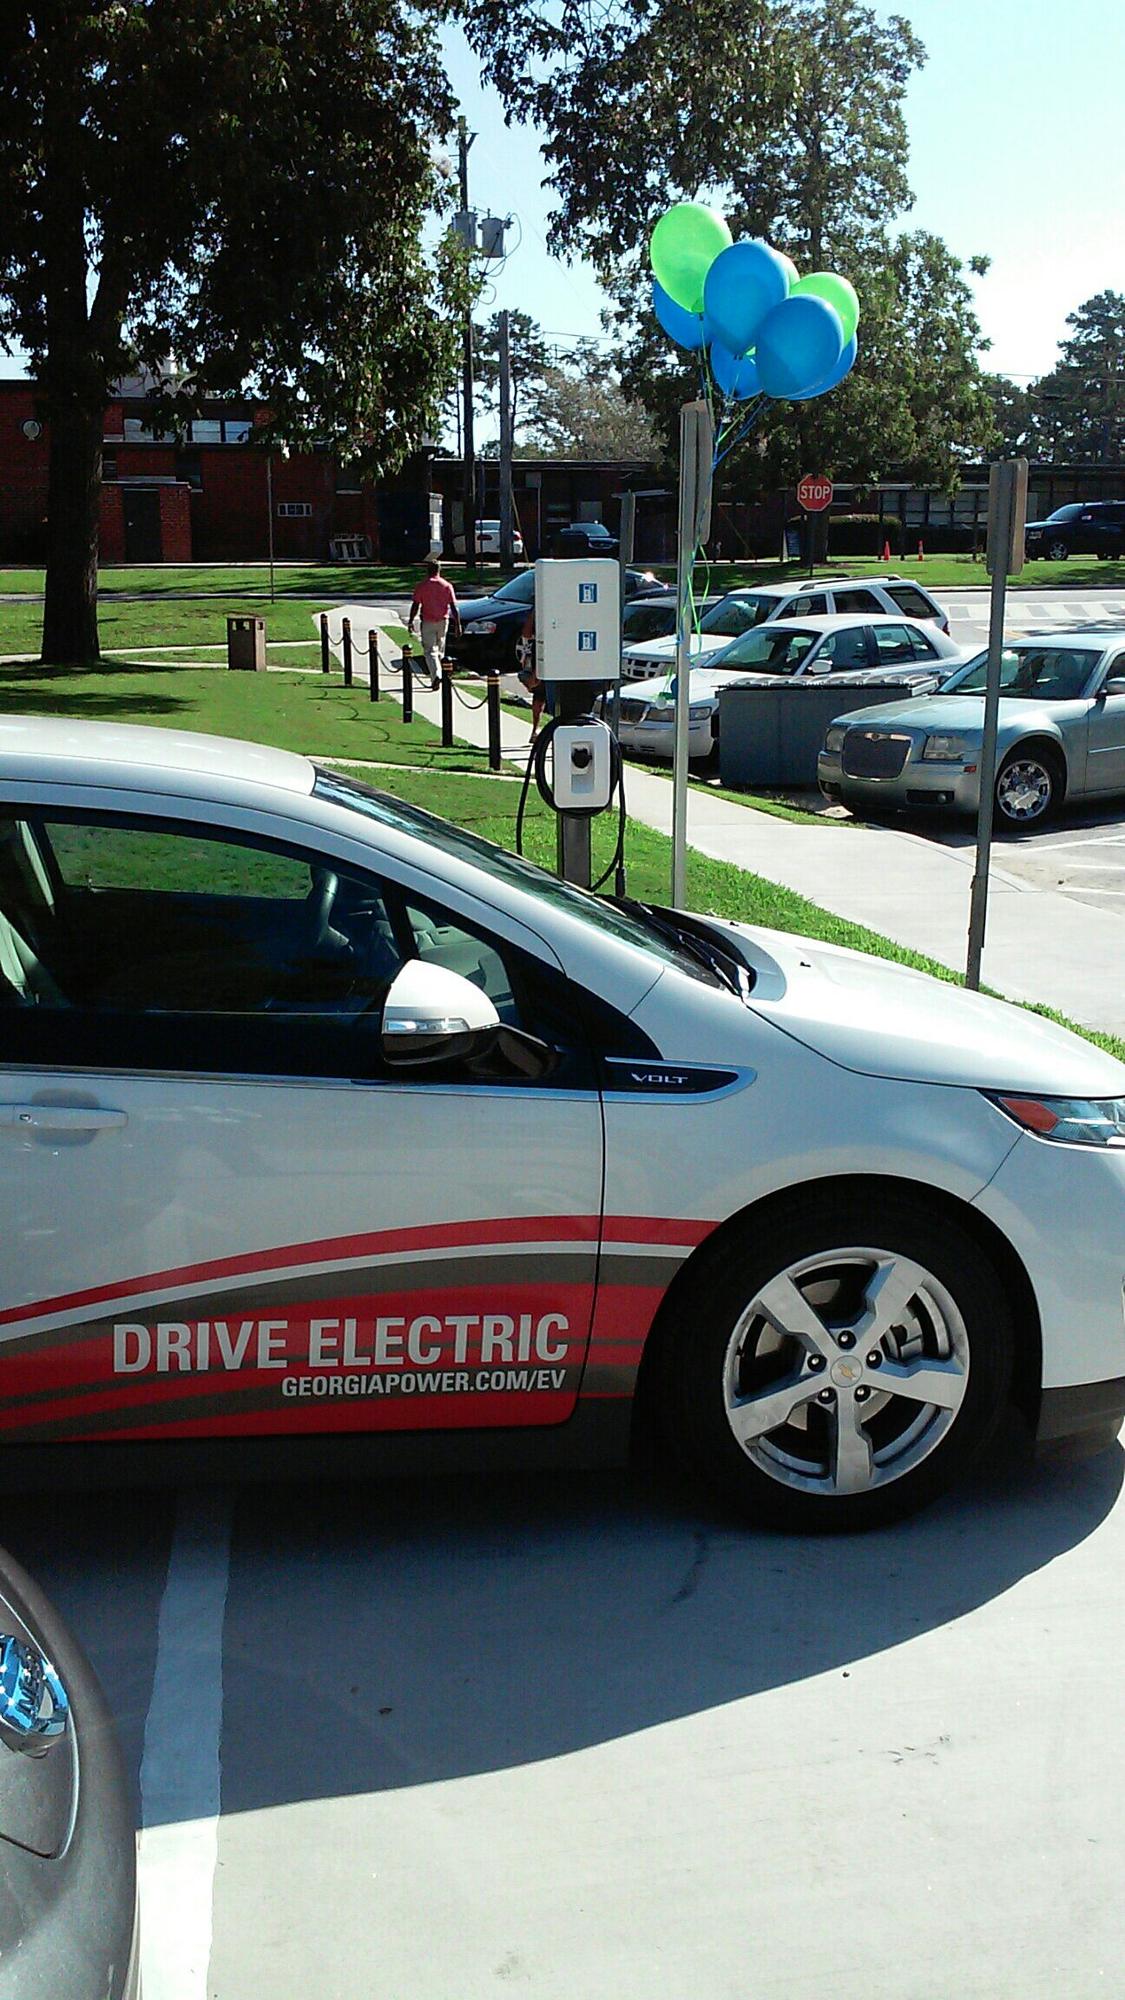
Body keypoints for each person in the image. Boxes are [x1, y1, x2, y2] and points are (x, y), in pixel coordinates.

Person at [407, 558, 460, 690]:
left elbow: (416, 604)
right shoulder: (447, 586)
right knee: (440, 649)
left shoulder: (422, 586)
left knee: (430, 650)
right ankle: (440, 675)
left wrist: (411, 620)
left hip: (428, 621)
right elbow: (454, 607)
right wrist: (458, 625)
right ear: (439, 570)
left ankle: (436, 676)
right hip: (443, 621)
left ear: (427, 571)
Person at [516, 608, 546, 738]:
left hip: (540, 667)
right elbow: (526, 634)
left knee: (541, 697)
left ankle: (536, 731)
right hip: (536, 667)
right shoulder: (538, 610)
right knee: (539, 697)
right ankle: (535, 730)